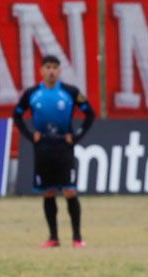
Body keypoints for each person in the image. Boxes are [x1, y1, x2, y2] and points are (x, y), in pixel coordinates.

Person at [12, 55, 95, 248]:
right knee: (48, 193)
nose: (51, 71)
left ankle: (77, 238)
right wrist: (30, 135)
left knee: (69, 191)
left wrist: (76, 137)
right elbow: (16, 115)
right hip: (43, 149)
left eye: (55, 68)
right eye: (48, 67)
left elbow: (90, 114)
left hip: (63, 148)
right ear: (41, 70)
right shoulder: (32, 94)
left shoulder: (70, 92)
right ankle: (53, 237)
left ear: (59, 71)